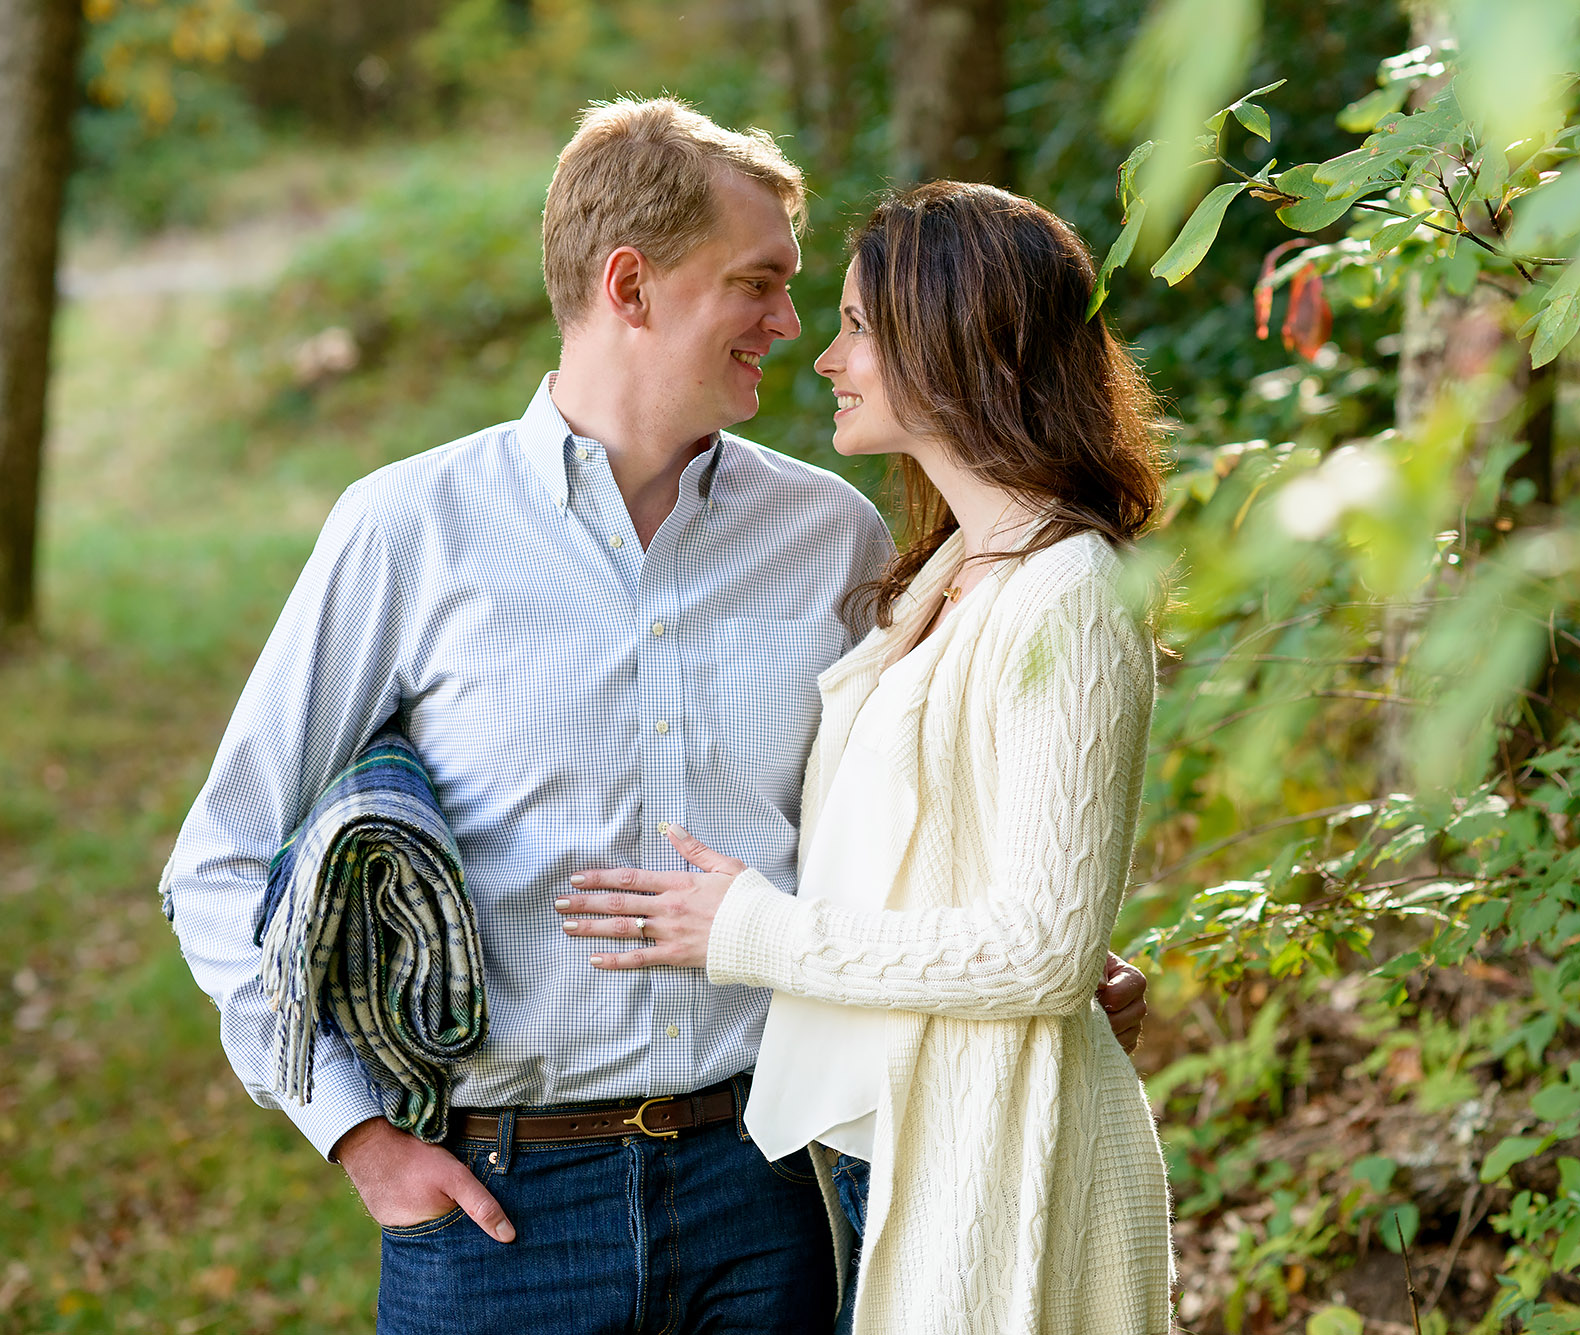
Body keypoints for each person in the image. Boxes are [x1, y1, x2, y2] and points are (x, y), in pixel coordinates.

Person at [161, 97, 1146, 1334]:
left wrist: (1031, 960)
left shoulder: (827, 537)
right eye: (758, 284)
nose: (791, 329)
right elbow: (219, 859)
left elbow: (898, 808)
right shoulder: (410, 528)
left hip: (774, 1192)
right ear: (629, 286)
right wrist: (355, 1134)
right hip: (504, 1212)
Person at [561, 181, 1174, 1334]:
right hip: (878, 1149)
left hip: (984, 1150)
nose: (824, 356)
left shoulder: (1066, 596)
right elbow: (963, 868)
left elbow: (1041, 953)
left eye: (854, 326)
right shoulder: (947, 574)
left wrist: (746, 930)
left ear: (951, 347)